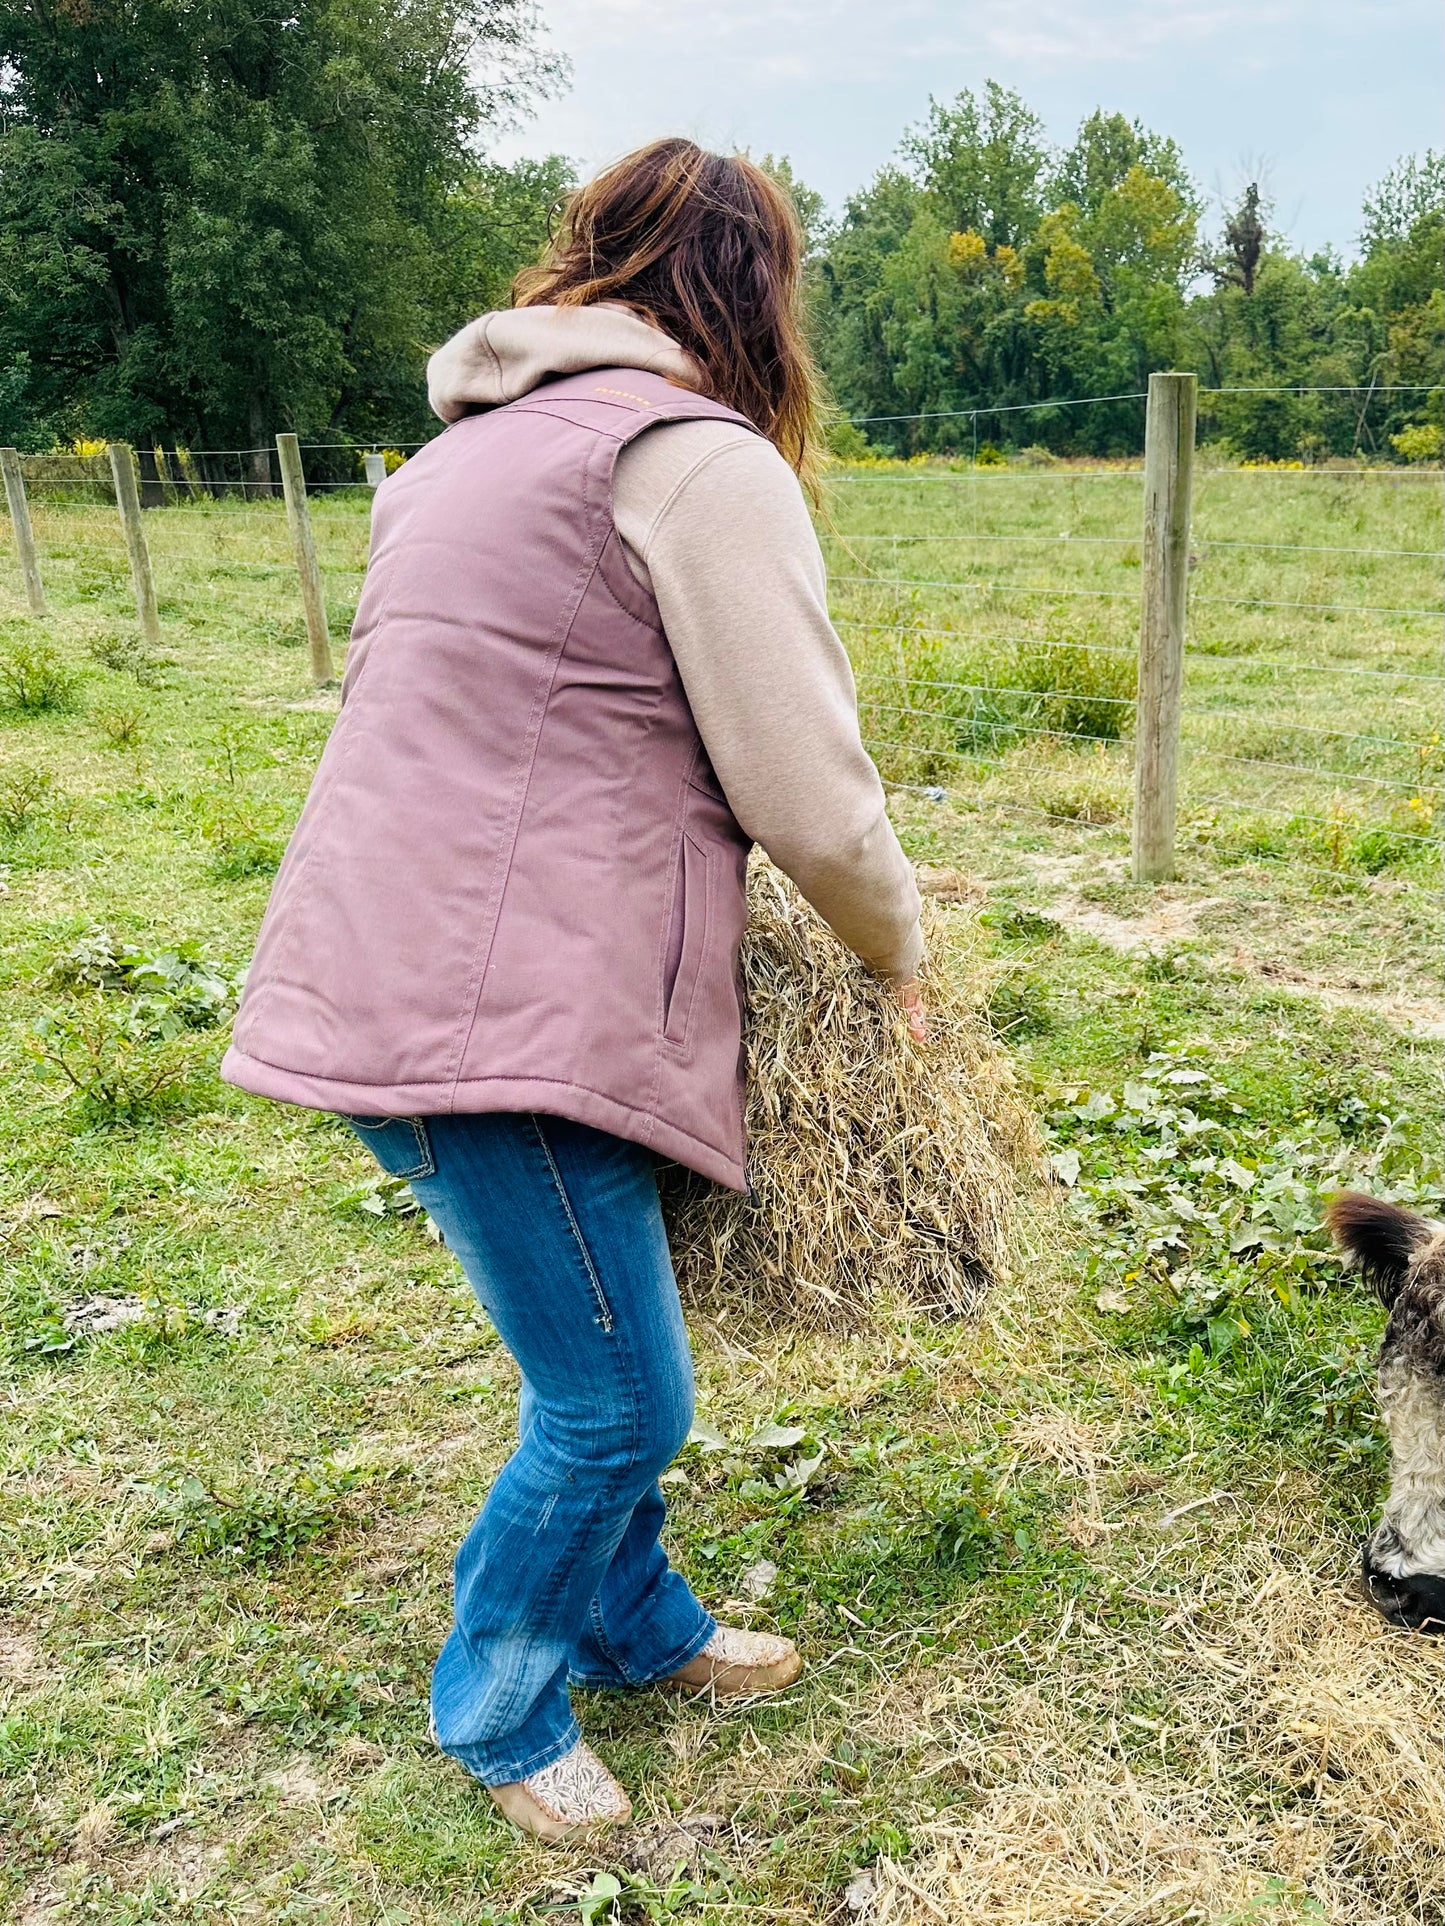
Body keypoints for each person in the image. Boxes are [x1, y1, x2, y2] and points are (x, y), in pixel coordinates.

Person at [221, 137, 924, 1843]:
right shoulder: (692, 460)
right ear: (753, 292)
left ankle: (637, 1625)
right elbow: (804, 789)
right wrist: (898, 949)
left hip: (385, 966)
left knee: (608, 1347)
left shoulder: (454, 457)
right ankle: (502, 1703)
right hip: (505, 1012)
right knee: (615, 1398)